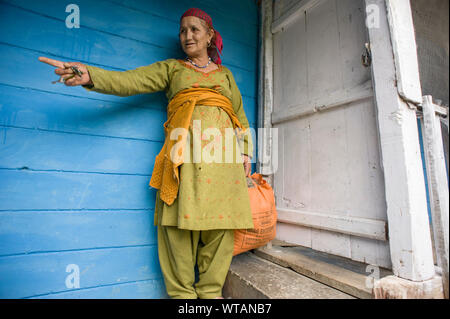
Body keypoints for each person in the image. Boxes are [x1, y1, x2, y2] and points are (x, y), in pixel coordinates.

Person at [38, 8, 254, 299]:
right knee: (177, 234)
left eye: (194, 29)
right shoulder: (173, 69)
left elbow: (239, 115)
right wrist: (90, 76)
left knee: (220, 237)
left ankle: (210, 296)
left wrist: (244, 152)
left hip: (223, 166)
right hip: (184, 164)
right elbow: (130, 81)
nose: (187, 35)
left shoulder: (226, 75)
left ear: (209, 36)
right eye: (182, 30)